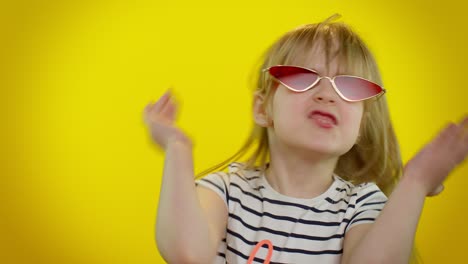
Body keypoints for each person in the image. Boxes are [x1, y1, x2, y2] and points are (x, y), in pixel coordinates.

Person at [145, 13, 468, 264]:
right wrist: (178, 146)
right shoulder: (226, 191)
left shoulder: (362, 204)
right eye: (302, 76)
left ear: (360, 127)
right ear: (263, 108)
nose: (327, 93)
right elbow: (187, 253)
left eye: (350, 86)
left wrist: (416, 182)